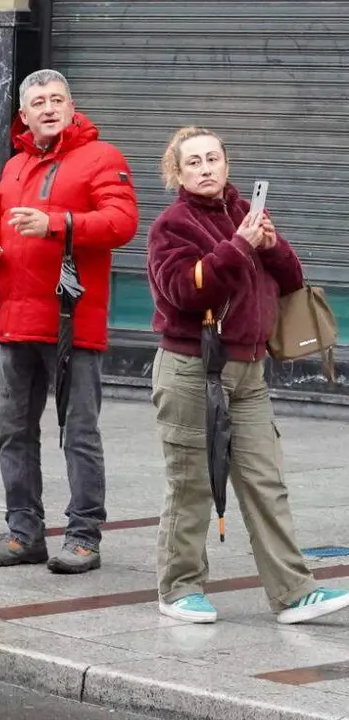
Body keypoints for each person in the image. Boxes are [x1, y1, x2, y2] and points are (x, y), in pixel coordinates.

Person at [145, 126, 349, 624]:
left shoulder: (247, 214)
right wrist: (238, 246)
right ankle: (178, 589)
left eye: (213, 158)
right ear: (177, 173)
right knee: (192, 483)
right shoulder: (171, 226)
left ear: (227, 164)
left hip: (250, 371)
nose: (206, 168)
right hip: (193, 371)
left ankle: (293, 592)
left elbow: (292, 280)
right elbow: (184, 291)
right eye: (193, 162)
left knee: (266, 482)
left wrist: (271, 244)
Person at [0, 69, 138, 574]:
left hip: (72, 323)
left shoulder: (101, 157)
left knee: (79, 433)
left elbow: (123, 223)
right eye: (38, 101)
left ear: (71, 106)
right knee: (14, 433)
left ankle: (84, 536)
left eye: (57, 99)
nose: (48, 108)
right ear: (23, 116)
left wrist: (58, 223)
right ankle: (24, 533)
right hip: (16, 319)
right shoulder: (17, 164)